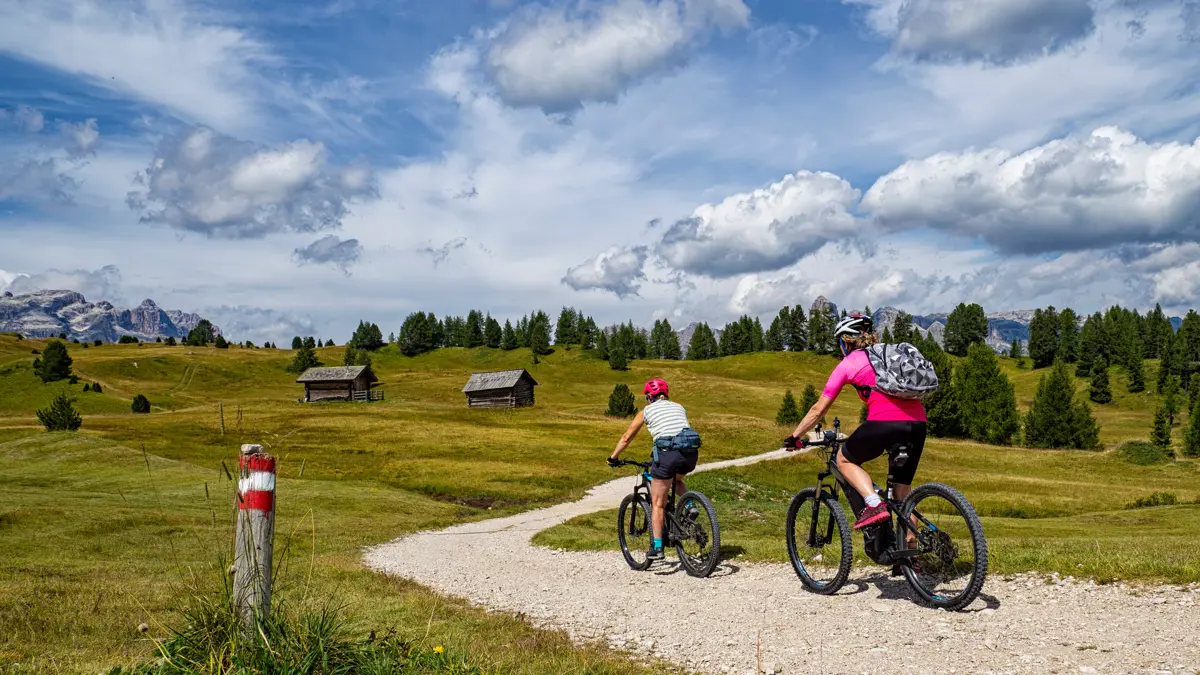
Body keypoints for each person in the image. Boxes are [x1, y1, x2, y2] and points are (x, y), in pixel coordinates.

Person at [784, 314, 927, 530]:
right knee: (902, 496)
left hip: (883, 423)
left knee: (844, 461)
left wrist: (795, 436)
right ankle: (910, 559)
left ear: (844, 341)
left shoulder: (848, 364)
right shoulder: (887, 355)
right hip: (917, 424)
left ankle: (873, 503)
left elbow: (818, 409)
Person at [608, 378, 699, 560]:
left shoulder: (646, 411)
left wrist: (613, 457)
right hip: (690, 453)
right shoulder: (679, 407)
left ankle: (657, 547)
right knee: (677, 479)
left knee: (658, 504)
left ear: (650, 396)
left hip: (666, 454)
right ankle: (690, 505)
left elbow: (627, 437)